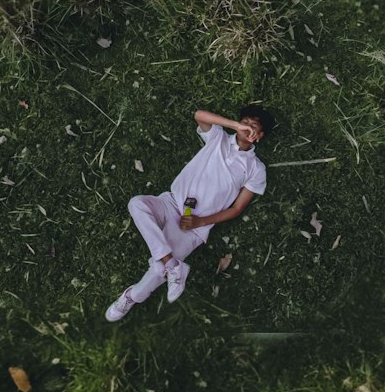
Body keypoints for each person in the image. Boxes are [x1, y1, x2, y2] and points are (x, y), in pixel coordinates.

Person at [105, 104, 274, 321]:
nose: (249, 127)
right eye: (246, 122)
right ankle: (173, 265)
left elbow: (237, 208)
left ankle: (132, 296)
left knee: (158, 271)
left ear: (259, 137)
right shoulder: (219, 138)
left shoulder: (256, 169)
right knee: (137, 203)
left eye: (254, 127)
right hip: (171, 202)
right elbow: (199, 115)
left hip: (193, 228)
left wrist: (200, 221)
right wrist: (234, 125)